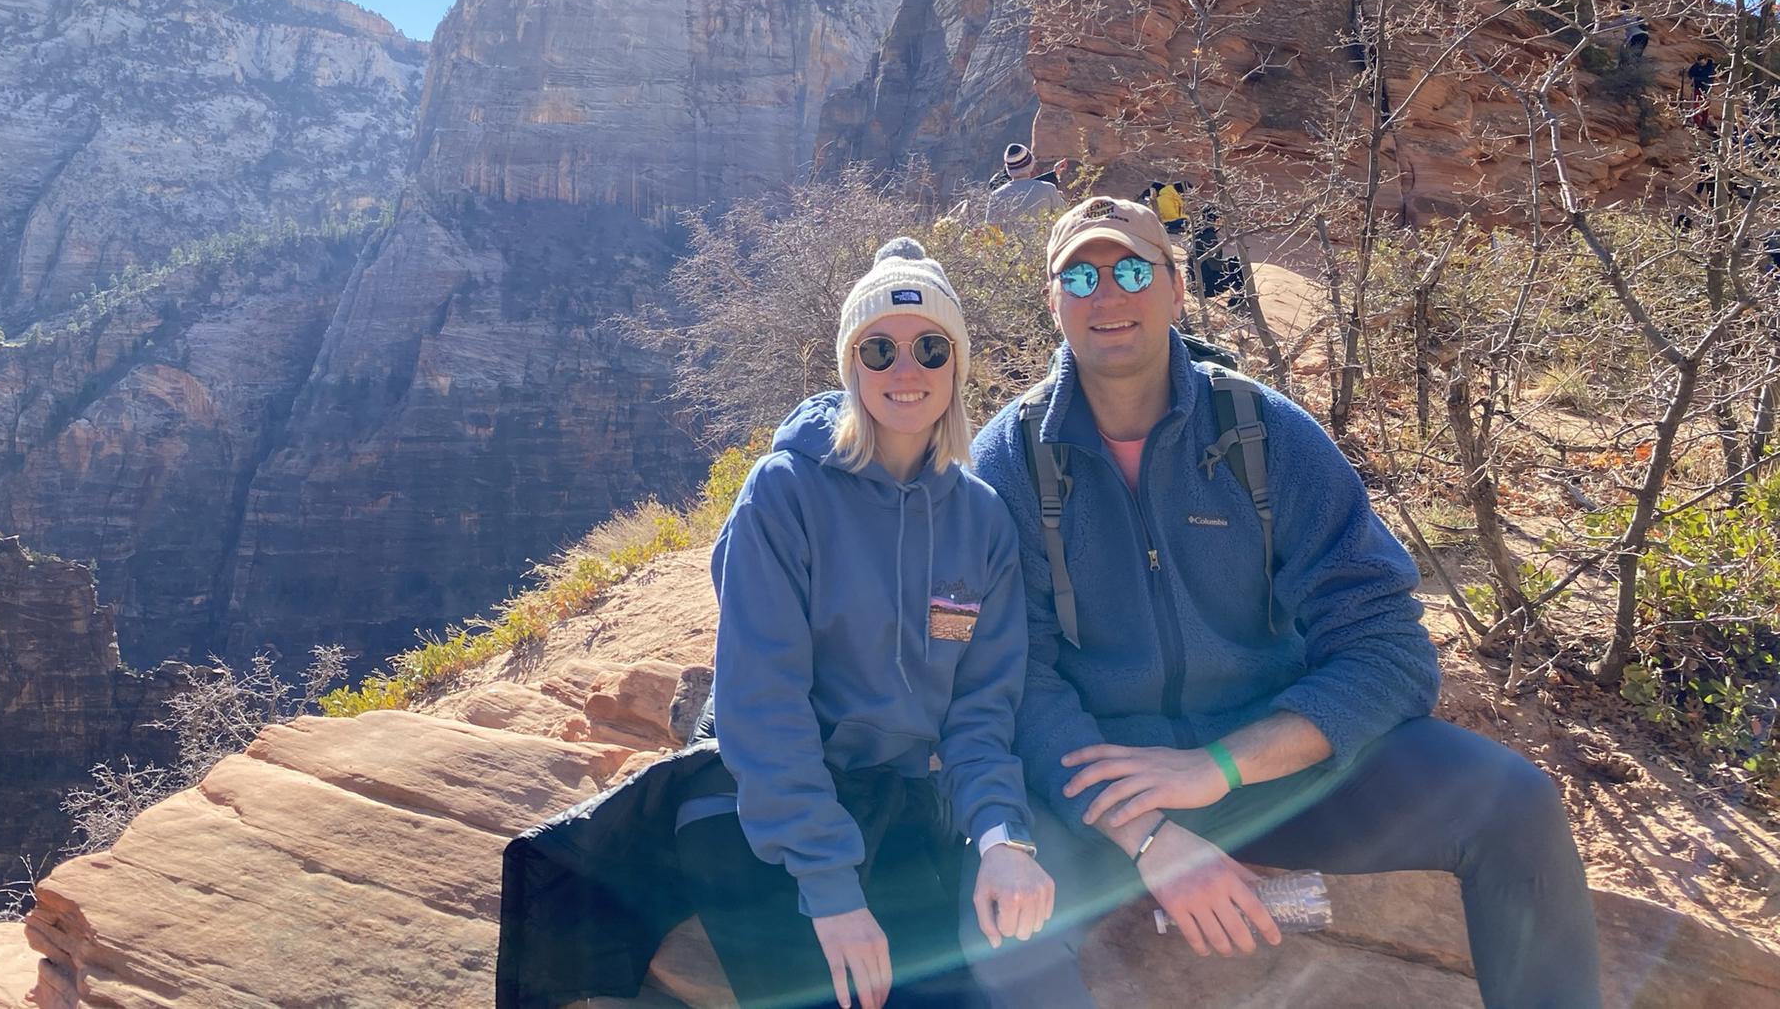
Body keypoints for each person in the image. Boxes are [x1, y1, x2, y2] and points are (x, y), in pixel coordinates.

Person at [959, 197, 1604, 1009]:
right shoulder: (1009, 462)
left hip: (1271, 767)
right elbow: (1014, 677)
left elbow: (1388, 648)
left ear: (1175, 288)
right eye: (1079, 276)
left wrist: (1217, 768)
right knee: (1001, 927)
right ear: (1052, 301)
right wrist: (1149, 836)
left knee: (1512, 805)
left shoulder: (1265, 435)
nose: (1107, 294)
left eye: (1131, 270)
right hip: (1103, 782)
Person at [686, 237, 1056, 1009]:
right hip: (778, 806)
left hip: (900, 805)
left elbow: (981, 710)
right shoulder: (785, 492)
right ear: (850, 365)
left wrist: (1001, 837)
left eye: (929, 347)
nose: (905, 369)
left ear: (958, 365)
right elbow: (764, 696)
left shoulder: (981, 520)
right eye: (878, 349)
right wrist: (830, 889)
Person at [986, 142, 1067, 227]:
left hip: (1010, 240)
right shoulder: (1048, 189)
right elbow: (1064, 218)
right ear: (1031, 164)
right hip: (1043, 240)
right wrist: (1059, 196)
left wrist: (1055, 173)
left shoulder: (996, 196)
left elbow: (992, 233)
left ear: (1008, 169)